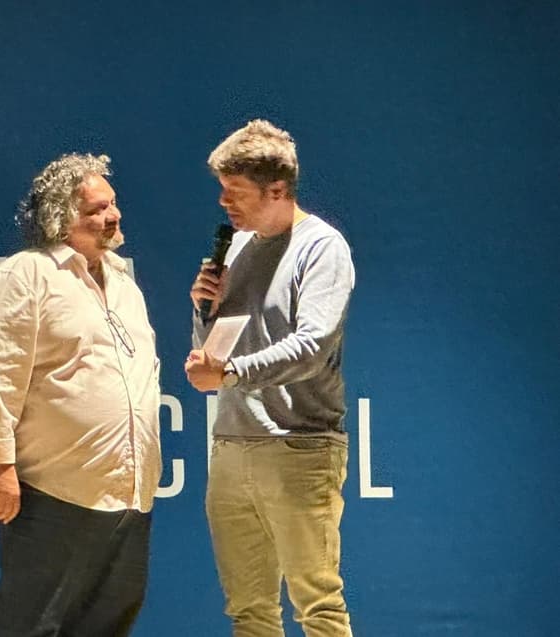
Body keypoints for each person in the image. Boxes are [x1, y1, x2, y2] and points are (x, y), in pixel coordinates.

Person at [0, 152, 162, 637]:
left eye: (113, 204)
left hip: (127, 493)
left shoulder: (123, 284)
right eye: (96, 209)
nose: (112, 216)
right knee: (34, 624)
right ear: (59, 217)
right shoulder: (25, 275)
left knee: (109, 623)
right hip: (52, 492)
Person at [185, 120, 355, 637]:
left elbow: (312, 346)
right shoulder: (236, 248)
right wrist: (202, 311)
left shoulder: (321, 248)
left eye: (234, 192)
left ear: (277, 190)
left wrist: (232, 372)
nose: (223, 203)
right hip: (232, 444)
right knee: (249, 613)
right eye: (221, 190)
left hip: (299, 447)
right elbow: (220, 346)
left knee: (318, 607)